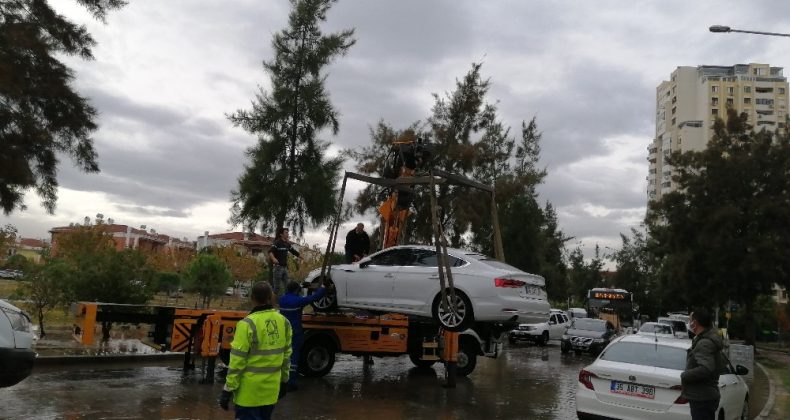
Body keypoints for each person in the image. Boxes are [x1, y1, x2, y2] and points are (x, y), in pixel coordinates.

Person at [219, 281, 292, 420]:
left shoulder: (246, 324)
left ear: (252, 298)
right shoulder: (284, 322)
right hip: (271, 392)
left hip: (248, 395)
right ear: (271, 297)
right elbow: (286, 357)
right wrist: (284, 381)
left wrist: (228, 389)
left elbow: (236, 363)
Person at [278, 280, 326, 391]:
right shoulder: (298, 301)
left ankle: (282, 381)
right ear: (296, 290)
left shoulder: (282, 299)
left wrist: (300, 286)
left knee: (284, 355)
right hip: (295, 331)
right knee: (294, 356)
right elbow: (313, 298)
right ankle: (291, 383)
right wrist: (322, 288)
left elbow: (294, 293)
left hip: (284, 331)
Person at [681, 308, 724, 420]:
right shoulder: (704, 339)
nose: (689, 323)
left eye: (690, 320)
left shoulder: (704, 343)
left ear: (695, 322)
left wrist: (684, 375)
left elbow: (706, 368)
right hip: (703, 397)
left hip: (702, 398)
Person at [268, 227, 300, 296]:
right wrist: (273, 259)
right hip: (277, 268)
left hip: (285, 268)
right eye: (286, 232)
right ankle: (271, 302)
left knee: (287, 287)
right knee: (276, 288)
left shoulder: (287, 244)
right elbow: (270, 251)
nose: (287, 234)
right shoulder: (277, 243)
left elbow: (293, 251)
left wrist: (301, 256)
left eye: (288, 233)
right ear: (281, 234)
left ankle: (287, 302)